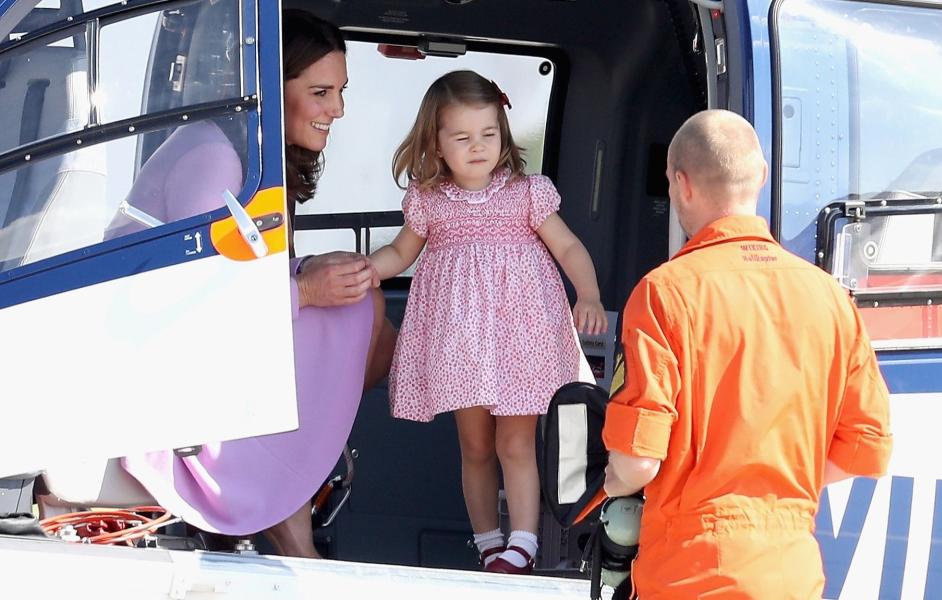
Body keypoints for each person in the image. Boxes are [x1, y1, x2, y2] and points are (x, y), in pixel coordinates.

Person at [118, 10, 395, 558]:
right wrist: (308, 290)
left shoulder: (249, 155)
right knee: (357, 309)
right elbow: (194, 306)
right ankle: (283, 500)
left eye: (340, 91)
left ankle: (289, 483)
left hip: (200, 344)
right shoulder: (214, 157)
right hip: (157, 364)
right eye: (320, 92)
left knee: (367, 300)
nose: (336, 110)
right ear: (271, 86)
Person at [601, 109, 893, 598]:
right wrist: (773, 495)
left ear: (681, 183)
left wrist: (609, 485)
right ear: (760, 176)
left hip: (688, 575)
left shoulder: (663, 294)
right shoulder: (830, 298)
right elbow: (866, 448)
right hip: (792, 574)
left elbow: (639, 461)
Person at [369, 70, 607, 575]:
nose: (478, 147)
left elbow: (566, 246)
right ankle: (488, 543)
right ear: (435, 144)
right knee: (474, 445)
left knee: (515, 441)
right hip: (461, 345)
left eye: (488, 134)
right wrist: (366, 268)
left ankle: (522, 544)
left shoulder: (527, 193)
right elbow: (399, 253)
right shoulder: (429, 202)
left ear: (503, 133)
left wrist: (587, 292)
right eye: (462, 137)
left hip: (520, 338)